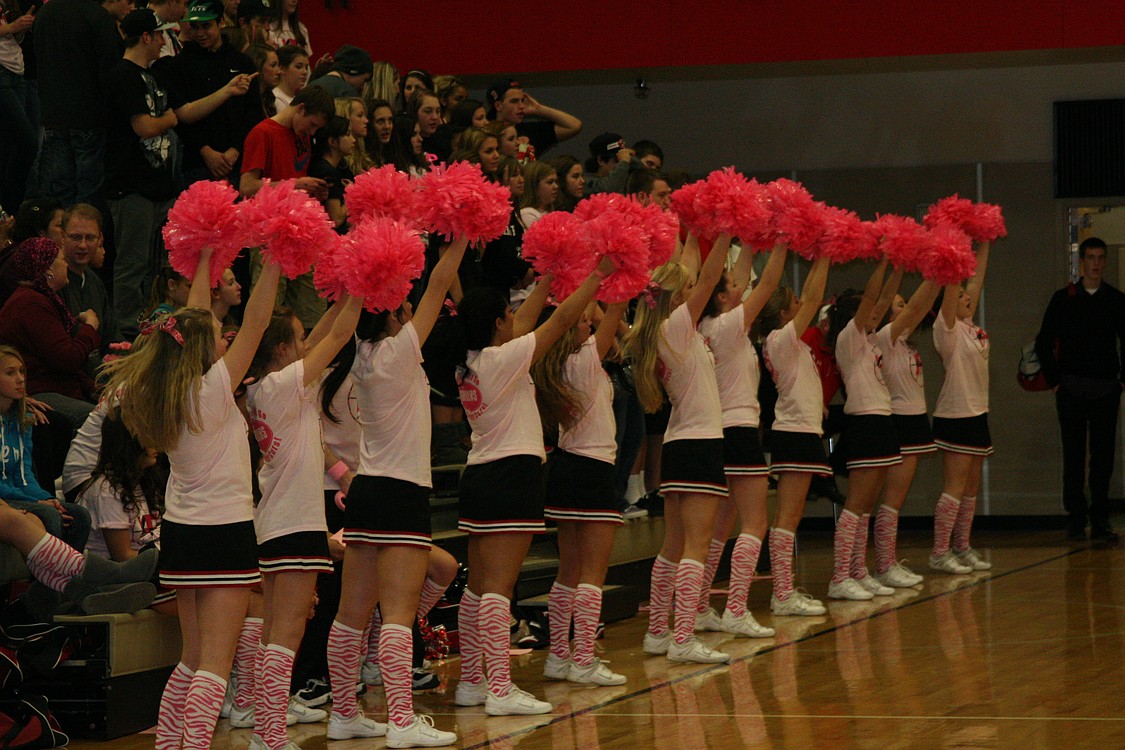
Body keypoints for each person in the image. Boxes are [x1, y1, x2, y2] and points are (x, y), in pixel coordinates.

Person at [104, 245, 282, 750]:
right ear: (205, 351)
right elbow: (259, 319)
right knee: (214, 664)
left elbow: (199, 313)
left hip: (180, 536)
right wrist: (275, 255)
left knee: (192, 657)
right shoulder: (213, 388)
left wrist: (204, 253)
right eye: (219, 341)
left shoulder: (164, 393)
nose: (228, 344)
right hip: (223, 534)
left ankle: (169, 746)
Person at [453, 255, 614, 715]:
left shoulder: (471, 362)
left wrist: (549, 270)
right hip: (511, 477)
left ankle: (471, 683)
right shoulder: (503, 361)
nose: (514, 321)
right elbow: (560, 319)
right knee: (499, 589)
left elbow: (527, 320)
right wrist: (597, 273)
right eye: (507, 316)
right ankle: (500, 688)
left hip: (481, 475)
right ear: (497, 323)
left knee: (479, 587)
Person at [325, 238, 467, 747]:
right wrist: (462, 233)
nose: (413, 309)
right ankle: (402, 722)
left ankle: (344, 715)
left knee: (350, 614)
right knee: (398, 615)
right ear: (396, 312)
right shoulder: (401, 348)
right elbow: (438, 283)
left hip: (366, 492)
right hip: (403, 492)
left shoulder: (360, 354)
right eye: (405, 304)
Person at [243, 294, 362, 750]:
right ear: (281, 351)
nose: (304, 344)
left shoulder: (266, 387)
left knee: (278, 630)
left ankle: (263, 730)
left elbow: (319, 337)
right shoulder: (279, 388)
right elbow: (334, 338)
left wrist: (341, 297)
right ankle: (269, 735)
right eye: (297, 339)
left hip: (277, 521)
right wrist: (359, 285)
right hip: (293, 522)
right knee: (286, 633)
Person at [106, 7, 255, 339]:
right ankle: (126, 335)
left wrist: (228, 91)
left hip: (161, 187)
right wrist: (171, 118)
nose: (164, 41)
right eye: (159, 35)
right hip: (130, 187)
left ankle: (154, 327)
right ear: (146, 37)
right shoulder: (122, 75)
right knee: (132, 266)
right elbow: (145, 126)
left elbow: (187, 111)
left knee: (155, 270)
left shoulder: (157, 75)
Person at [623, 234, 733, 665]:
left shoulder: (661, 330)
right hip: (700, 442)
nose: (696, 295)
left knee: (673, 543)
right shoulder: (678, 325)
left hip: (679, 441)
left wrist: (689, 231)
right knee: (696, 545)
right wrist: (724, 230)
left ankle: (657, 634)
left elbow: (693, 272)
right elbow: (706, 277)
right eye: (687, 291)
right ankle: (683, 638)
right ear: (675, 298)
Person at [534, 301, 629, 685]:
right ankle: (584, 660)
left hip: (566, 467)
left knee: (569, 569)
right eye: (585, 323)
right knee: (592, 572)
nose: (593, 326)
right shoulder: (585, 358)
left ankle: (559, 658)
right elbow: (618, 310)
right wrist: (618, 274)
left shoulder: (557, 364)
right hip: (592, 469)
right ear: (570, 332)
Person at [695, 241, 787, 636]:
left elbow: (751, 277)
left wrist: (748, 235)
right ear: (719, 297)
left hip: (720, 431)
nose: (741, 288)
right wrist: (782, 239)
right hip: (738, 429)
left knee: (722, 524)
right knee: (755, 522)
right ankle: (735, 608)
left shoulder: (704, 326)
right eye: (733, 285)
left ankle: (700, 607)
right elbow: (766, 284)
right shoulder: (729, 325)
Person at [1035, 236, 1125, 541]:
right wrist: (1055, 380)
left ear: (1105, 262)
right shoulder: (1064, 299)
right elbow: (1043, 342)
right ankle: (1075, 517)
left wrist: (1121, 380)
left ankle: (1100, 519)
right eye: (1091, 258)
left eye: (1101, 258)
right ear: (1081, 262)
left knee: (1103, 456)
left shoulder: (1116, 299)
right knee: (1073, 455)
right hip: (1071, 388)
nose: (1096, 263)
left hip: (1105, 388)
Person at [823, 261, 903, 602]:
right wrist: (884, 260)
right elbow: (875, 296)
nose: (876, 311)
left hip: (881, 420)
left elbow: (882, 300)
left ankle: (858, 570)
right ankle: (840, 576)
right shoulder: (847, 339)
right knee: (856, 505)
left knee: (867, 505)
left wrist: (899, 263)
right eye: (866, 309)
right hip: (864, 423)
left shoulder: (870, 340)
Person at [760, 255, 831, 616]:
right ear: (785, 315)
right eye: (796, 304)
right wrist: (827, 253)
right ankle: (782, 594)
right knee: (787, 516)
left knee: (794, 514)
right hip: (792, 432)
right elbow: (815, 297)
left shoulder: (793, 344)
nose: (803, 307)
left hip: (802, 431)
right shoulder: (779, 340)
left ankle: (785, 591)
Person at [240, 84, 332, 330]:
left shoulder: (301, 136)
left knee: (311, 304)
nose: (311, 131)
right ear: (300, 108)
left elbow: (292, 178)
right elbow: (247, 186)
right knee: (269, 305)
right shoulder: (263, 132)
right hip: (268, 233)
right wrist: (296, 184)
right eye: (311, 124)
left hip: (299, 230)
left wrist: (310, 190)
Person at [929, 240, 993, 574]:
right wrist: (952, 253)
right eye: (962, 297)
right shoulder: (947, 331)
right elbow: (955, 288)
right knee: (954, 487)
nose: (968, 297)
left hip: (978, 413)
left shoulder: (971, 328)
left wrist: (985, 242)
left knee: (970, 489)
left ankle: (962, 546)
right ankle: (939, 552)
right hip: (955, 414)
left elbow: (976, 279)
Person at [873, 274, 940, 586]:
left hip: (914, 420)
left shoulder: (902, 340)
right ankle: (884, 565)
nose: (906, 307)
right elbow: (917, 307)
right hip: (898, 420)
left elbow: (922, 305)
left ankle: (886, 562)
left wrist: (944, 275)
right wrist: (937, 273)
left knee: (895, 499)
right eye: (899, 304)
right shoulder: (884, 336)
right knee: (891, 499)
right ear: (888, 312)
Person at [0, 345, 92, 552]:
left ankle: (66, 582)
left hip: (18, 494)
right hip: (4, 500)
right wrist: (37, 501)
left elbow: (24, 474)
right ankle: (50, 579)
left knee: (79, 515)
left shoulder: (22, 420)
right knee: (50, 514)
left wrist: (47, 497)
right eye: (10, 373)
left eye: (22, 372)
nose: (20, 379)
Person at [0, 238, 100, 428]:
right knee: (95, 419)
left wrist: (94, 388)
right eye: (62, 260)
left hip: (56, 386)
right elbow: (68, 359)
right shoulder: (31, 304)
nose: (66, 264)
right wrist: (90, 327)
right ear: (48, 270)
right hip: (40, 391)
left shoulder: (41, 299)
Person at [160, 0, 260, 185]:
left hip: (237, 162)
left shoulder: (242, 62)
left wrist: (235, 150)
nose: (200, 33)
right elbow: (180, 116)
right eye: (195, 26)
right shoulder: (179, 65)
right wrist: (205, 151)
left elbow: (252, 112)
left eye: (206, 26)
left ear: (221, 22)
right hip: (197, 163)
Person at [32, 0, 120, 206]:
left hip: (53, 113)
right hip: (89, 113)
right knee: (90, 189)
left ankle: (63, 237)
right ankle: (85, 236)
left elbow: (38, 58)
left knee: (61, 189)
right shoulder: (96, 15)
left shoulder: (45, 12)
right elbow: (110, 67)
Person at [58, 205, 121, 370]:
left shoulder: (94, 281)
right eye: (76, 237)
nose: (83, 245)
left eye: (90, 238)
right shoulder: (53, 282)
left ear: (100, 239)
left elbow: (111, 337)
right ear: (62, 237)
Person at [485, 77, 581, 161]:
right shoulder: (483, 132)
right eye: (514, 101)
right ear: (498, 105)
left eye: (522, 100)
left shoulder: (530, 131)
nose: (522, 106)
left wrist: (538, 109)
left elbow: (574, 126)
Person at [0, 0, 37, 215]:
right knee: (27, 142)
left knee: (11, 144)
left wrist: (20, 27)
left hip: (16, 69)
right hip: (3, 73)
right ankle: (11, 206)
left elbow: (12, 37)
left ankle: (8, 213)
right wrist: (14, 27)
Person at [307, 115, 355, 229]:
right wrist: (353, 194)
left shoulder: (339, 167)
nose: (353, 140)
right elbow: (336, 219)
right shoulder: (325, 170)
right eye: (348, 135)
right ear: (332, 141)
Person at [307, 44, 371, 97]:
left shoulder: (310, 87)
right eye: (365, 80)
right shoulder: (347, 93)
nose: (362, 87)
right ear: (354, 71)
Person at [517, 161, 557, 228]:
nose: (556, 186)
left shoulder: (549, 211)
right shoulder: (527, 214)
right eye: (550, 182)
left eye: (556, 182)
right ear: (534, 185)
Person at [271, 45, 309, 111]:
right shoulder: (276, 99)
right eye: (299, 67)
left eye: (306, 68)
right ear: (282, 68)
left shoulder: (295, 99)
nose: (305, 72)